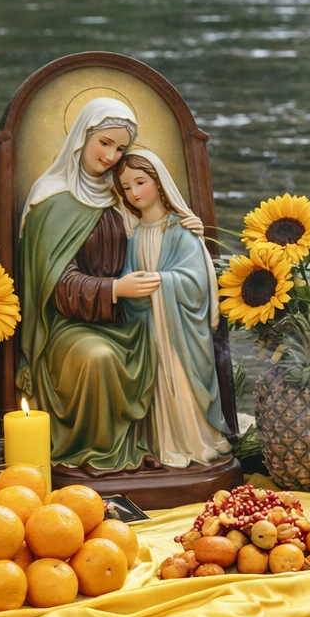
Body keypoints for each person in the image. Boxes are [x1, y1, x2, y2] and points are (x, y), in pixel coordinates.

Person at [16, 98, 203, 472]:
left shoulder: (117, 193)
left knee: (167, 343)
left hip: (122, 317)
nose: (111, 156)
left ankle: (174, 442)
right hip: (65, 327)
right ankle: (97, 454)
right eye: (105, 143)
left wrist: (184, 228)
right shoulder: (50, 198)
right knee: (98, 358)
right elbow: (54, 284)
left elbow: (148, 234)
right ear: (82, 136)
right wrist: (115, 290)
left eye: (120, 148)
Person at [112, 148, 232, 468]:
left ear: (159, 182)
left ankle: (193, 441)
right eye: (126, 187)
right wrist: (132, 289)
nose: (134, 193)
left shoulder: (181, 229)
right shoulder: (135, 236)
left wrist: (160, 281)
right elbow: (127, 281)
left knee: (179, 383)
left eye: (140, 182)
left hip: (179, 334)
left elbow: (195, 282)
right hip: (150, 329)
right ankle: (161, 443)